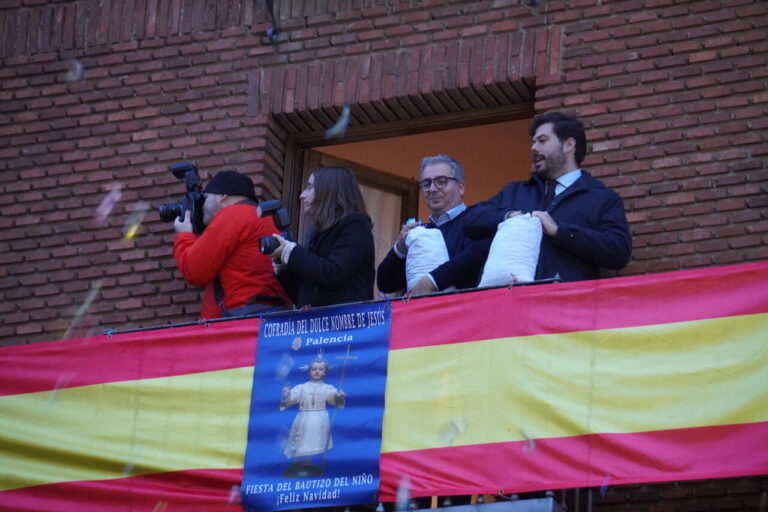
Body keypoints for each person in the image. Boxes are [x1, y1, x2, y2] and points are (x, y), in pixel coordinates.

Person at [464, 111, 632, 282]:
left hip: (564, 298)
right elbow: (469, 220)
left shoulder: (601, 198)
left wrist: (559, 231)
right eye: (533, 142)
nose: (533, 148)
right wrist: (509, 216)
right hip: (509, 296)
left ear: (568, 145)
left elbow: (619, 251)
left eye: (542, 141)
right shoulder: (514, 191)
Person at [173, 170, 288, 318]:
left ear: (222, 196)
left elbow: (194, 271)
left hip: (239, 320)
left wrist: (184, 235)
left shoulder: (233, 215)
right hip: (274, 317)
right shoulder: (269, 220)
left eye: (206, 197)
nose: (202, 205)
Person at [377, 155, 491, 296]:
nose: (432, 189)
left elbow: (473, 262)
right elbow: (386, 284)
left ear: (461, 188)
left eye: (441, 181)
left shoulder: (479, 220)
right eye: (426, 184)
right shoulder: (421, 233)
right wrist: (400, 248)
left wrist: (430, 281)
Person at [269, 166, 375, 307]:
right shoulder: (315, 233)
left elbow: (334, 274)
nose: (302, 195)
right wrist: (283, 267)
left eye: (309, 188)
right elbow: (303, 297)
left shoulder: (355, 225)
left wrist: (290, 251)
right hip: (318, 319)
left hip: (348, 319)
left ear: (329, 190)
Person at [280, 356, 345, 460]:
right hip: (304, 418)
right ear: (309, 371)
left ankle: (312, 462)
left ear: (325, 372)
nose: (317, 372)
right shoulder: (302, 387)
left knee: (317, 443)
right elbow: (291, 398)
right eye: (314, 369)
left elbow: (333, 396)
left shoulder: (327, 388)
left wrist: (338, 396)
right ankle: (302, 462)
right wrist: (286, 395)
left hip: (320, 419)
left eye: (320, 369)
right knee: (301, 443)